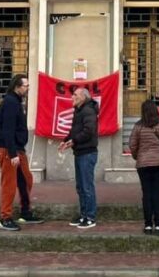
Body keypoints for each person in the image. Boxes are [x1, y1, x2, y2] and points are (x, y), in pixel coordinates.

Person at [0, 74, 44, 231]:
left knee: (25, 180)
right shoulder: (10, 102)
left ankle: (25, 212)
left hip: (17, 148)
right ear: (17, 86)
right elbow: (7, 130)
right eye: (26, 86)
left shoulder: (16, 101)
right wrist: (13, 153)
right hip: (9, 149)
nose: (28, 88)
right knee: (9, 184)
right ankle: (5, 218)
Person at [129, 99, 159, 235]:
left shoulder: (138, 126)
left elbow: (132, 144)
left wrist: (137, 156)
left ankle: (148, 224)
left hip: (143, 164)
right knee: (158, 193)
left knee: (147, 194)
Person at [59, 87, 99, 229]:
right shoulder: (79, 111)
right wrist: (66, 140)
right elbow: (74, 130)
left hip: (87, 153)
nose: (72, 97)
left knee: (87, 186)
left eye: (75, 95)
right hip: (80, 152)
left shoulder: (88, 111)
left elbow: (88, 131)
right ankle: (83, 214)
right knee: (80, 186)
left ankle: (90, 216)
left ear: (83, 97)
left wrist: (74, 141)